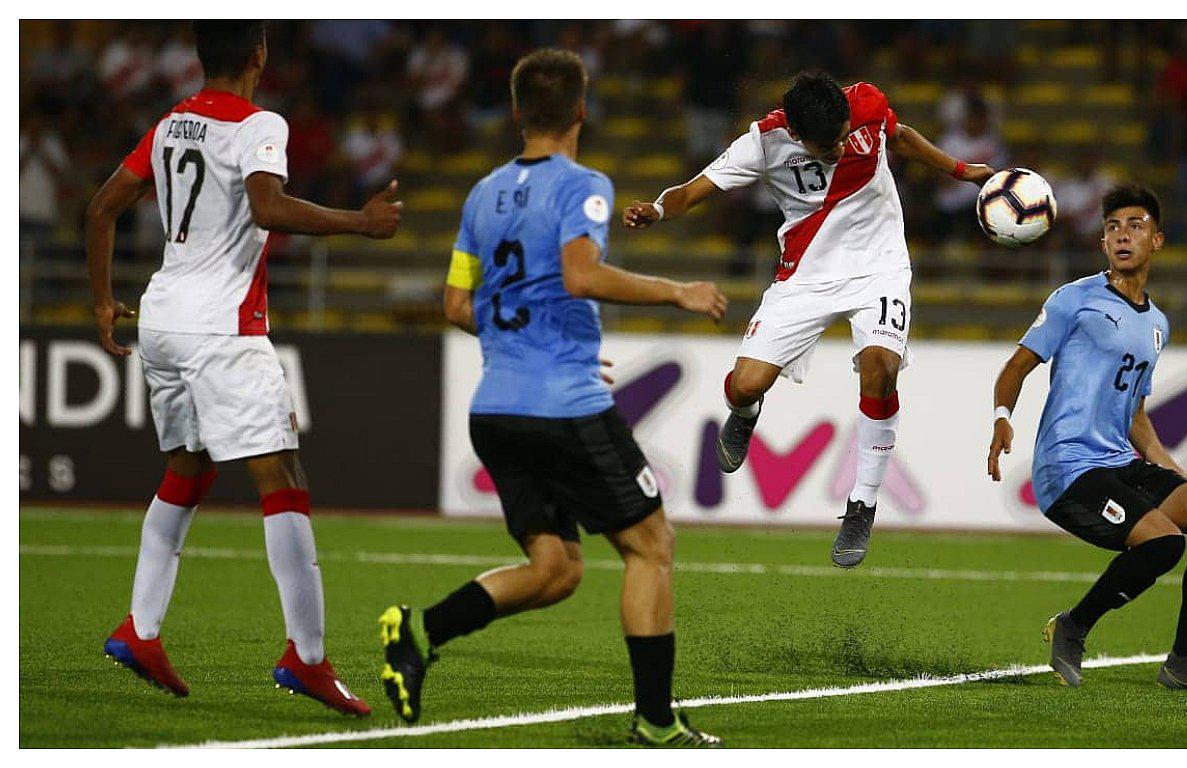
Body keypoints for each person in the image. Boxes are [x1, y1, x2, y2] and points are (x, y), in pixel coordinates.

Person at [376, 48, 725, 747]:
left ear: (514, 113)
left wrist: (527, 341)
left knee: (557, 569)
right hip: (561, 407)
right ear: (581, 112)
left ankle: (419, 630)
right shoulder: (583, 184)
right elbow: (580, 276)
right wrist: (676, 290)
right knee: (651, 546)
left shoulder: (480, 194)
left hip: (495, 408)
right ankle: (656, 721)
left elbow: (454, 303)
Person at [87, 20, 402, 716]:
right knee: (283, 476)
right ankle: (309, 658)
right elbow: (267, 205)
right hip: (223, 328)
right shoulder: (261, 122)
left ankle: (141, 630)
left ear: (202, 58)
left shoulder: (171, 123)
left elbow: (103, 206)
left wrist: (105, 301)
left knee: (189, 469)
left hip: (165, 319)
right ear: (259, 56)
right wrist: (360, 222)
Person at [623, 71, 993, 568]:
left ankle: (862, 503)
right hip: (805, 276)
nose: (842, 149)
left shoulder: (865, 102)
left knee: (880, 366)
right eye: (828, 144)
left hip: (879, 265)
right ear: (796, 135)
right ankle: (747, 411)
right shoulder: (762, 142)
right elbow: (692, 191)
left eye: (845, 137)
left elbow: (897, 135)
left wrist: (958, 169)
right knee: (746, 384)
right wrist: (657, 211)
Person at [986, 185, 1187, 692]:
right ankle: (1073, 625)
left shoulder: (1157, 325)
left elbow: (1134, 411)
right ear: (1103, 244)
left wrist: (1168, 463)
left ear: (1157, 240)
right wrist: (1001, 417)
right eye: (1113, 227)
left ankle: (1183, 663)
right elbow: (1017, 365)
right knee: (1165, 544)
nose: (1123, 235)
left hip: (1120, 461)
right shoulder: (1073, 299)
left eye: (1135, 225)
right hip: (1070, 467)